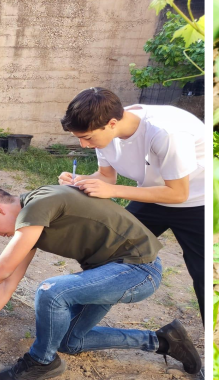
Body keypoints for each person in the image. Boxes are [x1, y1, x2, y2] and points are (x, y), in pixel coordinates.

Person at [0, 185, 201, 380]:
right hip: (109, 272)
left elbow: (2, 267)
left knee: (51, 290)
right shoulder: (33, 221)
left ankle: (41, 362)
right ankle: (164, 340)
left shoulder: (38, 205)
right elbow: (7, 281)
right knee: (67, 340)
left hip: (138, 269)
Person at [58, 87, 206, 319]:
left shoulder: (166, 132)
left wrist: (113, 191)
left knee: (203, 274)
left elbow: (178, 194)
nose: (84, 145)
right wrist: (80, 181)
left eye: (86, 137)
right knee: (107, 252)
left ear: (112, 123)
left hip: (198, 202)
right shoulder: (105, 132)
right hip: (152, 195)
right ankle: (77, 323)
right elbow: (106, 177)